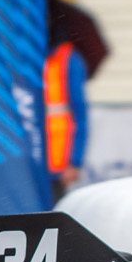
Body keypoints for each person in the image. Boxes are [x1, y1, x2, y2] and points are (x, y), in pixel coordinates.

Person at [44, 33, 89, 196]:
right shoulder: (28, 56)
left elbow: (80, 114)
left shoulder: (69, 59)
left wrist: (74, 162)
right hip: (32, 162)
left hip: (57, 164)